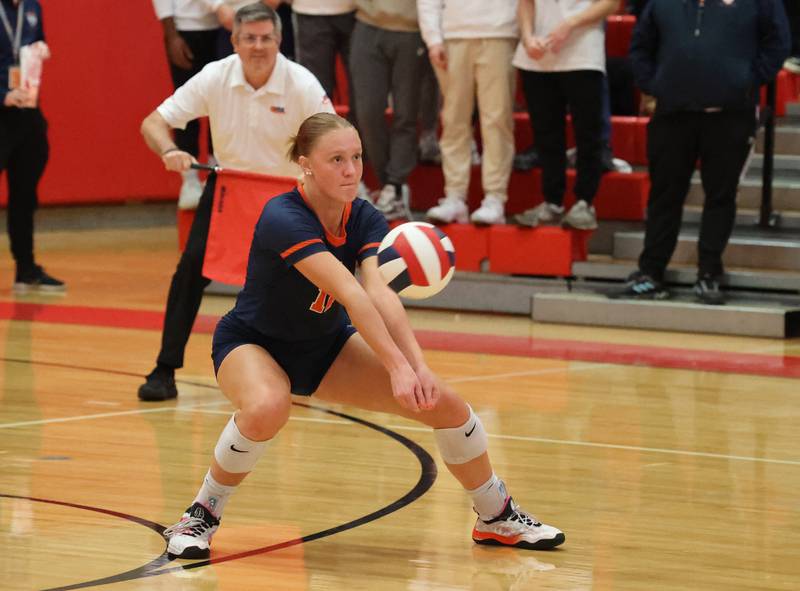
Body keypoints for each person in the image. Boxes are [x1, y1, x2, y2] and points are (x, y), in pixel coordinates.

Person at [161, 112, 565, 558]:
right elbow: (352, 293)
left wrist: (417, 365)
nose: (351, 170)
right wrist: (395, 367)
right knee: (268, 405)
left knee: (447, 406)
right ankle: (201, 514)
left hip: (326, 347)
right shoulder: (283, 216)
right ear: (305, 163)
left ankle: (497, 516)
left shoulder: (366, 216)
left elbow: (380, 292)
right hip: (253, 343)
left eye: (355, 157)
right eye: (336, 159)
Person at [137, 2, 334, 402]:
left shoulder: (302, 84)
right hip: (229, 189)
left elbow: (335, 140)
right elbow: (153, 123)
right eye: (249, 38)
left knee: (315, 281)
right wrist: (168, 151)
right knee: (190, 270)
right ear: (234, 41)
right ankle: (164, 368)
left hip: (287, 196)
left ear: (279, 41)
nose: (258, 46)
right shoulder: (215, 76)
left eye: (266, 38)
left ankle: (315, 372)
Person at [611, 0, 790, 304]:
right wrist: (653, 83)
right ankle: (651, 272)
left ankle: (709, 273)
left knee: (720, 195)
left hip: (730, 114)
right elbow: (641, 45)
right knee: (664, 195)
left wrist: (747, 79)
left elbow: (778, 42)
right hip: (672, 113)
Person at [512, 0, 619, 231]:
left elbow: (612, 3)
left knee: (588, 133)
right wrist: (528, 37)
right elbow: (525, 3)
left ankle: (585, 202)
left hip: (583, 53)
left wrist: (570, 23)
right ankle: (552, 201)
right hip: (537, 55)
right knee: (546, 134)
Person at [418, 0, 518, 226]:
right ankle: (454, 196)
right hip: (453, 35)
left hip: (499, 32)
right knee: (453, 120)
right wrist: (433, 39)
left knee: (497, 120)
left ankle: (495, 198)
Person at [1, 0, 63, 293]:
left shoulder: (32, 7)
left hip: (26, 110)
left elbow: (33, 47)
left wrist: (40, 50)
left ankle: (26, 269)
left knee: (25, 194)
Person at [349, 0, 426, 221]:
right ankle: (388, 184)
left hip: (412, 29)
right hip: (367, 24)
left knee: (406, 113)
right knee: (367, 112)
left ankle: (394, 185)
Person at [151, 0, 231, 210]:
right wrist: (171, 33)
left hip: (225, 25)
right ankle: (190, 180)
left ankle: (217, 174)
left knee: (223, 105)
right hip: (186, 28)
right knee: (185, 111)